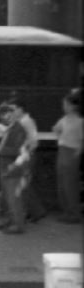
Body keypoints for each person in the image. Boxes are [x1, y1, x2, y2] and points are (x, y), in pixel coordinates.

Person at [0, 101, 38, 235]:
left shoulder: (18, 128)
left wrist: (0, 149)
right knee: (8, 197)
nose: (5, 117)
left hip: (13, 168)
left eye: (8, 113)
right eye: (3, 114)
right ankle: (11, 221)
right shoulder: (12, 127)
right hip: (7, 167)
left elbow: (18, 150)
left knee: (14, 198)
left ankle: (18, 225)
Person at [54, 91, 82, 223]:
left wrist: (78, 151)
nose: (63, 107)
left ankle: (74, 213)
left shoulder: (80, 121)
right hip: (63, 150)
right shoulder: (63, 120)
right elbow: (55, 129)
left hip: (72, 152)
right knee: (62, 183)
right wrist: (60, 138)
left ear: (73, 106)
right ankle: (66, 211)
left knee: (70, 184)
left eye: (65, 104)